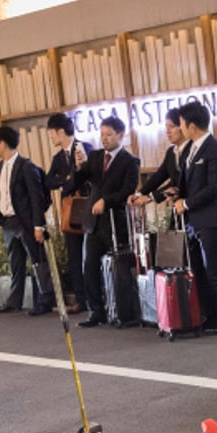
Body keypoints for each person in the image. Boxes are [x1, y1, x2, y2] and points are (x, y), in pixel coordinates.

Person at [67, 115, 140, 327]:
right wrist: (79, 166)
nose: (104, 139)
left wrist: (106, 201)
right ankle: (95, 311)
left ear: (120, 135)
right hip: (94, 222)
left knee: (120, 269)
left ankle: (124, 312)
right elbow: (77, 182)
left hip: (115, 222)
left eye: (108, 134)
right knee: (89, 267)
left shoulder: (130, 161)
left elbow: (127, 190)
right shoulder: (97, 156)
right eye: (101, 134)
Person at [173, 100, 217, 333]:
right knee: (198, 271)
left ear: (192, 125)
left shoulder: (216, 150)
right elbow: (188, 183)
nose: (179, 128)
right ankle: (208, 313)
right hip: (193, 222)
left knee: (214, 271)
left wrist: (186, 203)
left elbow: (214, 187)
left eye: (181, 124)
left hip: (211, 220)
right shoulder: (189, 149)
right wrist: (176, 195)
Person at [0, 125, 55, 316]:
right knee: (15, 262)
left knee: (37, 261)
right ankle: (14, 301)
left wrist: (38, 226)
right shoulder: (0, 166)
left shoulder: (26, 166)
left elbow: (36, 198)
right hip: (8, 222)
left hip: (25, 222)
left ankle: (43, 300)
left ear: (3, 143)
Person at [44, 113, 93, 314]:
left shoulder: (84, 148)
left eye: (52, 134)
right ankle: (80, 299)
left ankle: (95, 299)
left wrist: (69, 179)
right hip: (69, 210)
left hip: (87, 207)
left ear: (61, 132)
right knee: (73, 254)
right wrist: (67, 179)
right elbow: (48, 181)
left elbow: (85, 177)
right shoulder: (58, 158)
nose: (51, 138)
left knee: (90, 255)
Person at [131, 108, 186, 207]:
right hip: (177, 209)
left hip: (191, 206)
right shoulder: (171, 152)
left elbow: (180, 182)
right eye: (166, 127)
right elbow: (159, 176)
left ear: (183, 126)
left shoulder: (192, 150)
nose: (167, 131)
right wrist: (140, 193)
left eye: (172, 126)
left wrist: (152, 197)